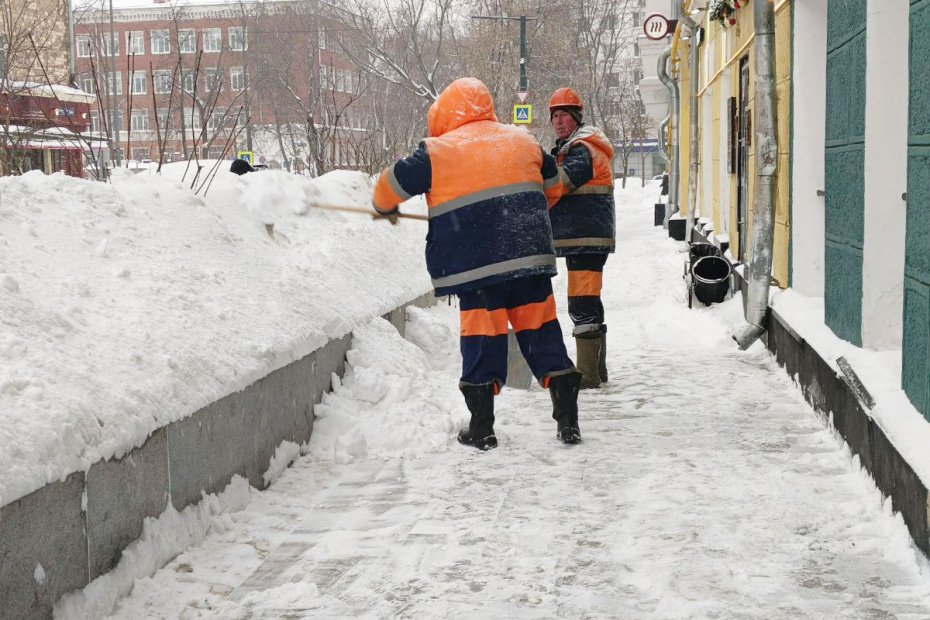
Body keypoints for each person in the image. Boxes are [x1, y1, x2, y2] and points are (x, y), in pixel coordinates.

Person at [372, 77, 584, 449]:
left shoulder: (438, 150)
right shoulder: (523, 140)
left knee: (482, 341)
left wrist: (384, 206)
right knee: (542, 333)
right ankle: (568, 422)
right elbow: (553, 188)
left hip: (479, 268)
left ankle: (482, 429)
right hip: (528, 258)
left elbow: (389, 186)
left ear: (444, 114)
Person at [545, 87, 616, 389]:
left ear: (576, 117)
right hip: (585, 237)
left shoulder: (582, 149)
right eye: (554, 116)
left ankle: (587, 375)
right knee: (589, 302)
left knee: (582, 303)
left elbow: (558, 184)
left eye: (564, 115)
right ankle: (597, 371)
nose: (558, 121)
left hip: (587, 237)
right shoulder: (576, 146)